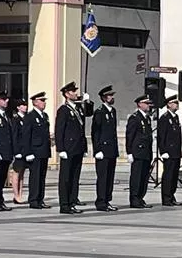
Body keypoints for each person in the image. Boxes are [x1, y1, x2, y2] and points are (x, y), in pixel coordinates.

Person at [55, 82, 87, 215]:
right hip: (68, 148)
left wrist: (88, 102)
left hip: (77, 147)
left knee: (75, 177)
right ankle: (65, 204)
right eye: (73, 92)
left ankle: (72, 201)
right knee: (66, 178)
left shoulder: (78, 108)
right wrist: (60, 148)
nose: (76, 93)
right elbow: (59, 130)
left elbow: (88, 114)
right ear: (67, 94)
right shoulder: (63, 110)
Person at [90, 85, 118, 212]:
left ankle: (107, 200)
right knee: (103, 177)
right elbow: (95, 132)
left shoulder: (112, 111)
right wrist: (97, 150)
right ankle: (101, 202)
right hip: (103, 150)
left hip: (111, 149)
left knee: (110, 177)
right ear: (104, 98)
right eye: (109, 96)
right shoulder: (100, 112)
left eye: (112, 95)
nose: (112, 97)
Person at [22, 92, 51, 209]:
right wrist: (27, 152)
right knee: (35, 176)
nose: (44, 103)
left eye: (44, 100)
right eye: (41, 100)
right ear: (35, 102)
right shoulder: (30, 116)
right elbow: (26, 136)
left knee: (42, 176)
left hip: (43, 150)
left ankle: (40, 198)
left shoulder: (44, 116)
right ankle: (33, 199)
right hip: (34, 150)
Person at [126, 95, 154, 208]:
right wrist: (129, 152)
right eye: (146, 103)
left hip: (146, 152)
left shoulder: (146, 118)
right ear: (139, 104)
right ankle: (135, 199)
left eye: (149, 103)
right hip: (138, 152)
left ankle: (141, 197)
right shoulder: (135, 117)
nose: (149, 105)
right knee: (137, 177)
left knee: (144, 177)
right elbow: (130, 136)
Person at [158, 95, 182, 207]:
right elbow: (161, 136)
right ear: (169, 104)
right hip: (168, 152)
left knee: (174, 176)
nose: (177, 104)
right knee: (168, 176)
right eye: (175, 102)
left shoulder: (175, 117)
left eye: (177, 103)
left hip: (176, 152)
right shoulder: (164, 118)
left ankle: (172, 196)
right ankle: (166, 198)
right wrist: (163, 151)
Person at [8, 98, 28, 204]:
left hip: (25, 150)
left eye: (25, 105)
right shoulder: (15, 120)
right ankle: (16, 195)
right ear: (18, 107)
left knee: (22, 173)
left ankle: (20, 193)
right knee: (16, 172)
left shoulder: (26, 118)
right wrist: (16, 151)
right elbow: (15, 136)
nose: (25, 107)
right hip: (19, 150)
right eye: (22, 105)